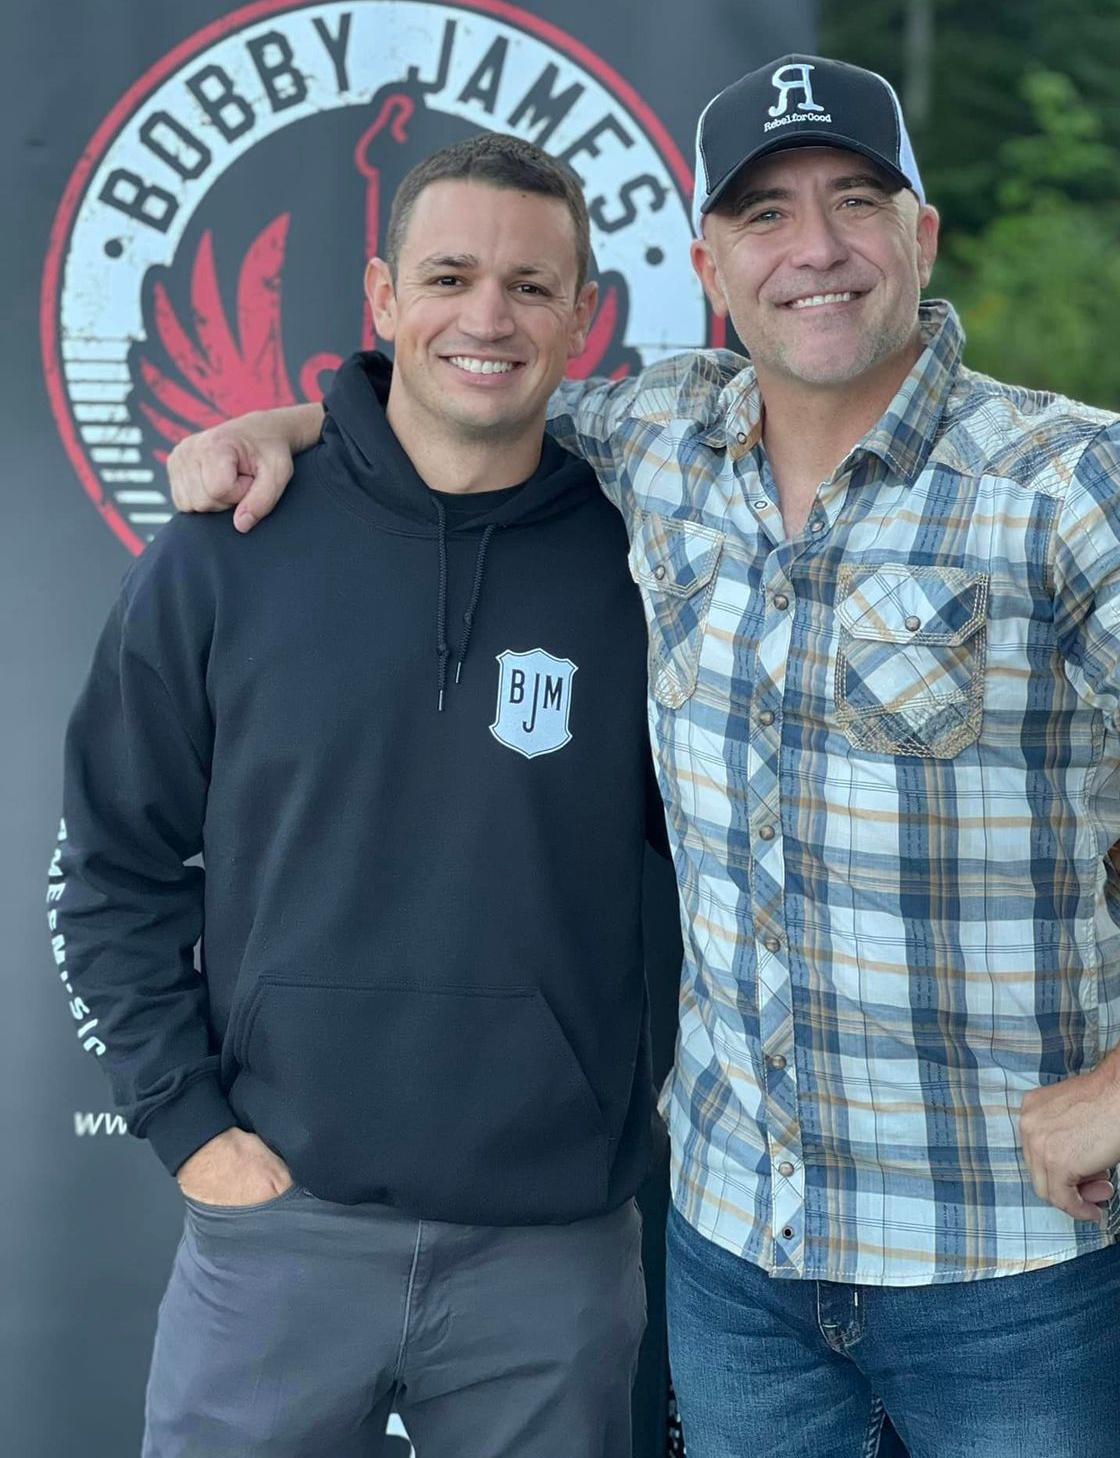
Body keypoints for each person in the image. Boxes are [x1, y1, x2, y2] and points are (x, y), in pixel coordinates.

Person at [167, 54, 1120, 1458]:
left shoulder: (1080, 483)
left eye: (857, 201)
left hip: (1013, 1263)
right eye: (765, 214)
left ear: (923, 234)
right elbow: (454, 399)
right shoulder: (659, 438)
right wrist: (278, 430)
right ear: (710, 266)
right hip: (736, 1262)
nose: (814, 248)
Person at [53, 133, 664, 1458]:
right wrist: (196, 1135)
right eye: (448, 277)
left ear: (583, 317)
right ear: (383, 298)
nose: (488, 318)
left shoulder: (652, 566)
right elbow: (108, 869)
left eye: (530, 286)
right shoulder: (224, 555)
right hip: (280, 1235)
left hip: (552, 1255)